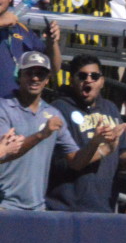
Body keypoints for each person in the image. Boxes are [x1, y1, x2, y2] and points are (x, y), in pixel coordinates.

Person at [46, 55, 126, 212]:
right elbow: (67, 162)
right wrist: (98, 146)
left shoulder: (110, 109)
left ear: (102, 81)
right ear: (72, 80)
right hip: (66, 208)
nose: (88, 80)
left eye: (94, 76)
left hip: (103, 207)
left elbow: (121, 155)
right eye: (82, 76)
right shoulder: (58, 109)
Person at [0, 51, 106, 211]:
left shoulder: (53, 114)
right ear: (19, 75)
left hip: (37, 209)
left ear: (47, 80)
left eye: (41, 74)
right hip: (4, 205)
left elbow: (76, 162)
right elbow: (5, 153)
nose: (35, 78)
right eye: (29, 73)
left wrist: (96, 143)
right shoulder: (3, 108)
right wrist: (41, 135)